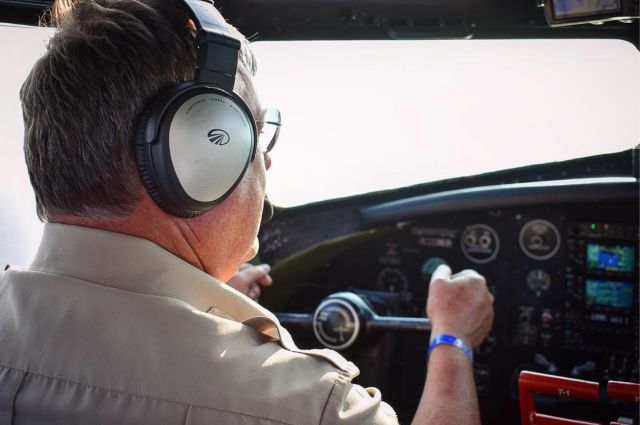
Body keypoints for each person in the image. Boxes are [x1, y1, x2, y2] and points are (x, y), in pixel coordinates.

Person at [0, 0, 494, 424]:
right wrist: (452, 340)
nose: (266, 160)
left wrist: (200, 304)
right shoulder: (306, 406)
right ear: (203, 155)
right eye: (251, 135)